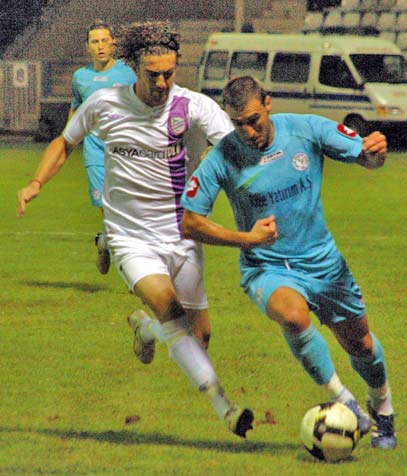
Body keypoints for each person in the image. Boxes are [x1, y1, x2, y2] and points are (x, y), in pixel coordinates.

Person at [16, 21, 253, 438]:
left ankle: (145, 328)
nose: (162, 83)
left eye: (169, 74)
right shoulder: (105, 104)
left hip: (182, 233)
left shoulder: (193, 106)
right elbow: (65, 142)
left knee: (199, 337)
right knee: (171, 311)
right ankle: (226, 408)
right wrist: (37, 182)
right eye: (152, 75)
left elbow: (236, 149)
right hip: (130, 237)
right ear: (135, 69)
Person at [181, 76, 397, 449]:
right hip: (266, 267)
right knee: (294, 316)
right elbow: (190, 222)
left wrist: (375, 152)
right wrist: (247, 239)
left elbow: (367, 158)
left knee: (361, 345)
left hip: (323, 263)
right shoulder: (223, 156)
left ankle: (383, 407)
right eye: (238, 123)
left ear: (268, 103)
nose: (247, 132)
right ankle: (344, 400)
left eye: (253, 120)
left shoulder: (305, 129)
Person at [17, 19, 137, 275]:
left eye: (105, 40)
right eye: (95, 41)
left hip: (128, 154)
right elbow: (74, 116)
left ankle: (105, 242)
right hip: (96, 153)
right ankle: (135, 275)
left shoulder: (129, 72)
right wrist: (65, 143)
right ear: (88, 47)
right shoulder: (81, 78)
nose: (100, 46)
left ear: (113, 44)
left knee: (127, 214)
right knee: (111, 211)